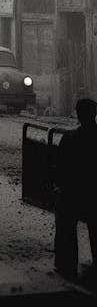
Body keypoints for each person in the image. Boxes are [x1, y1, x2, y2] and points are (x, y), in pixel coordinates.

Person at [54, 97, 97, 280]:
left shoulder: (70, 138)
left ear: (78, 115)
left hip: (74, 199)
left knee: (64, 222)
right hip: (93, 198)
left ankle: (66, 265)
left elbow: (60, 169)